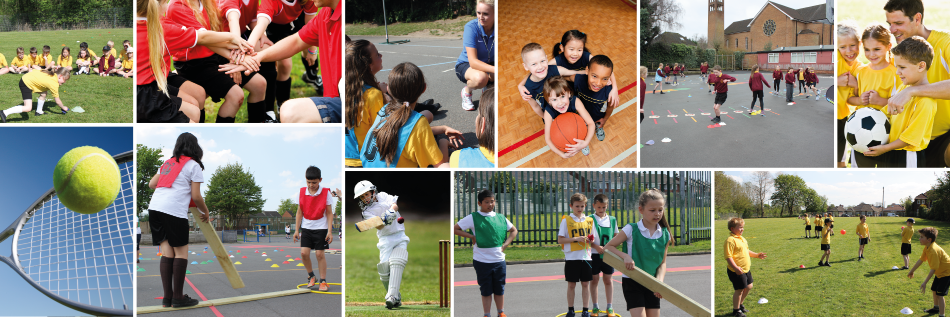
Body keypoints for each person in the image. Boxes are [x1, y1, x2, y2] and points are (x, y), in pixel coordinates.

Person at [137, 0, 249, 124]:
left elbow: (203, 36)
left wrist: (236, 57)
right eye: (165, 3)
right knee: (194, 111)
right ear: (157, 6)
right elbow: (203, 38)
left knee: (198, 96)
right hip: (149, 87)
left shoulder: (159, 23)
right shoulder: (164, 25)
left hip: (158, 77)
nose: (167, 7)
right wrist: (233, 40)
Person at [146, 132, 210, 308]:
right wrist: (205, 211)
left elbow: (152, 184)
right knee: (181, 254)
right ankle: (179, 298)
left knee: (167, 253)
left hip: (155, 208)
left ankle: (168, 298)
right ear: (195, 147)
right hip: (173, 211)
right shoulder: (193, 165)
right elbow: (196, 196)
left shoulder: (168, 162)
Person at [358, 62, 462, 167]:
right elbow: (439, 164)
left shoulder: (385, 109)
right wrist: (443, 143)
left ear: (388, 89)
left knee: (427, 115)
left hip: (367, 168)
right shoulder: (419, 123)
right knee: (446, 167)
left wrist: (443, 128)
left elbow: (408, 133)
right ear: (424, 89)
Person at [864, 36, 936, 167]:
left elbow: (910, 138)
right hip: (890, 150)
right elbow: (885, 113)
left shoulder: (926, 102)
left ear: (921, 66)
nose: (897, 72)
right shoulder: (904, 88)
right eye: (897, 67)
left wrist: (885, 148)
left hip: (908, 155)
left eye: (902, 67)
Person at [604, 189, 676, 317]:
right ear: (641, 210)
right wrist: (625, 256)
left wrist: (659, 283)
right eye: (652, 210)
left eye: (660, 209)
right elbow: (608, 247)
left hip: (652, 282)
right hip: (633, 281)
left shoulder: (665, 234)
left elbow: (662, 263)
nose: (657, 213)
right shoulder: (631, 229)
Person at [454, 189, 517, 317]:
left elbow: (514, 230)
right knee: (486, 290)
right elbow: (455, 229)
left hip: (499, 261)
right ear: (479, 203)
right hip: (481, 261)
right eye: (486, 202)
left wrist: (505, 244)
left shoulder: (500, 217)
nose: (490, 204)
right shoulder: (473, 217)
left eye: (492, 201)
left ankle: (501, 313)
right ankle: (487, 314)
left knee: (499, 288)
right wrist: (471, 237)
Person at [354, 180, 408, 309]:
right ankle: (396, 297)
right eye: (362, 197)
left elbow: (395, 205)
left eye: (366, 194)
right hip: (385, 239)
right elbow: (380, 226)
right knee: (384, 270)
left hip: (399, 235)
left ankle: (391, 297)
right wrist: (385, 220)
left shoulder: (383, 195)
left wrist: (391, 212)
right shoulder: (366, 212)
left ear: (373, 191)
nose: (365, 198)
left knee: (397, 261)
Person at [293, 166, 341, 290]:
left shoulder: (326, 193)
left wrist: (330, 231)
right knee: (304, 253)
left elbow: (330, 213)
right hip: (306, 227)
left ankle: (323, 281)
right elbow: (299, 212)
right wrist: (297, 230)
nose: (311, 185)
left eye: (314, 182)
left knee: (320, 254)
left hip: (321, 227)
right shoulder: (301, 192)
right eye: (308, 182)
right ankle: (311, 276)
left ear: (320, 180)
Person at [516, 42, 586, 119]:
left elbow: (574, 72)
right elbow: (535, 107)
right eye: (534, 64)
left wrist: (590, 72)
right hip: (552, 117)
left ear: (546, 59)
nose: (540, 67)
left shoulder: (554, 70)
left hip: (568, 108)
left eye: (542, 61)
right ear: (525, 66)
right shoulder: (527, 89)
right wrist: (549, 119)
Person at [557, 193, 596, 317]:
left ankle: (585, 310)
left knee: (585, 284)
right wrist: (576, 239)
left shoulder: (589, 220)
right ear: (571, 206)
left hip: (586, 257)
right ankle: (570, 309)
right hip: (572, 257)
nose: (580, 209)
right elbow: (560, 240)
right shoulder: (566, 220)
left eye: (582, 206)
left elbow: (593, 238)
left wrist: (590, 240)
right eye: (577, 206)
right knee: (571, 284)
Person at [721, 217, 766, 317]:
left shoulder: (741, 239)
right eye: (740, 227)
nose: (742, 229)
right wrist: (736, 268)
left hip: (745, 269)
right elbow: (728, 257)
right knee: (740, 290)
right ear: (732, 229)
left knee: (749, 286)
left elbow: (746, 251)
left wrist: (757, 255)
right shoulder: (730, 240)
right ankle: (736, 311)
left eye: (743, 227)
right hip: (736, 270)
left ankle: (740, 304)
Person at [455, 0, 495, 111]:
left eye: (485, 14)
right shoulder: (471, 27)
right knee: (481, 78)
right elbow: (473, 61)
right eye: (478, 13)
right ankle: (467, 92)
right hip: (467, 64)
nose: (481, 17)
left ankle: (488, 86)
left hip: (489, 63)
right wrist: (496, 70)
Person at [542, 77, 595, 158]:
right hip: (561, 128)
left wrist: (585, 142)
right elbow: (548, 139)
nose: (560, 103)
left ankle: (581, 143)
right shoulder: (548, 113)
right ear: (549, 101)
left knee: (583, 124)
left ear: (569, 93)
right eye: (554, 100)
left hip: (575, 124)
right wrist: (562, 154)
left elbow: (591, 123)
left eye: (563, 97)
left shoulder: (575, 101)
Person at [838, 19, 864, 167]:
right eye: (843, 47)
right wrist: (837, 81)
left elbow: (854, 97)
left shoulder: (860, 68)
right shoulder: (838, 59)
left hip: (842, 118)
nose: (848, 51)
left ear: (860, 44)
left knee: (840, 163)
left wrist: (854, 85)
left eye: (852, 45)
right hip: (832, 117)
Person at [0, 67, 71, 122]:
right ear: (60, 76)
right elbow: (57, 101)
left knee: (44, 93)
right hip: (26, 83)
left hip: (27, 78)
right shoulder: (54, 83)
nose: (65, 82)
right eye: (65, 80)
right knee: (28, 108)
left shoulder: (51, 73)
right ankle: (4, 112)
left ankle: (39, 111)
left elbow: (34, 71)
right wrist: (63, 107)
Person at [908, 227, 950, 316]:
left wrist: (924, 282)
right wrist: (911, 271)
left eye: (921, 237)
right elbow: (921, 260)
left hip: (946, 273)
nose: (919, 238)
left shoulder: (933, 250)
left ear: (929, 239)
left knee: (940, 294)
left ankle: (942, 315)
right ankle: (936, 308)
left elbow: (933, 269)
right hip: (940, 273)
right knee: (934, 290)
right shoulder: (927, 247)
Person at [450, 87, 496, 167]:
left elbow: (442, 165)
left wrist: (442, 143)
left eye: (479, 114)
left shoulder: (459, 156)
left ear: (483, 124)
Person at [575, 55, 616, 142]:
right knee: (582, 128)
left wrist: (604, 119)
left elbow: (610, 107)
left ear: (609, 78)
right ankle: (583, 137)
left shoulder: (610, 92)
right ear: (587, 71)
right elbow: (564, 76)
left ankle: (598, 126)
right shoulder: (578, 80)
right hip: (582, 116)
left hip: (598, 116)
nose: (598, 83)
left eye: (605, 79)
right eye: (594, 76)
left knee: (599, 122)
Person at [589, 194, 618, 317]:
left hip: (607, 255)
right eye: (599, 207)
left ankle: (609, 306)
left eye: (604, 207)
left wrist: (609, 248)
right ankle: (595, 307)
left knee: (608, 280)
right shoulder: (589, 219)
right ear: (594, 206)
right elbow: (587, 238)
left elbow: (616, 236)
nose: (601, 210)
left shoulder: (612, 219)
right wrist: (596, 246)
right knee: (594, 280)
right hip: (594, 254)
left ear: (607, 206)